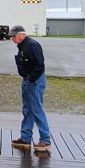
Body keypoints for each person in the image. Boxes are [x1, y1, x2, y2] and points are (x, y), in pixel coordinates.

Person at [10, 25, 51, 156]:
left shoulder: (33, 45)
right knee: (27, 109)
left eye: (13, 36)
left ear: (21, 35)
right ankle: (25, 138)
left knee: (37, 110)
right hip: (28, 80)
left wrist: (31, 79)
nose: (12, 39)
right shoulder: (22, 46)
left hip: (35, 81)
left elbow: (40, 65)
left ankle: (45, 140)